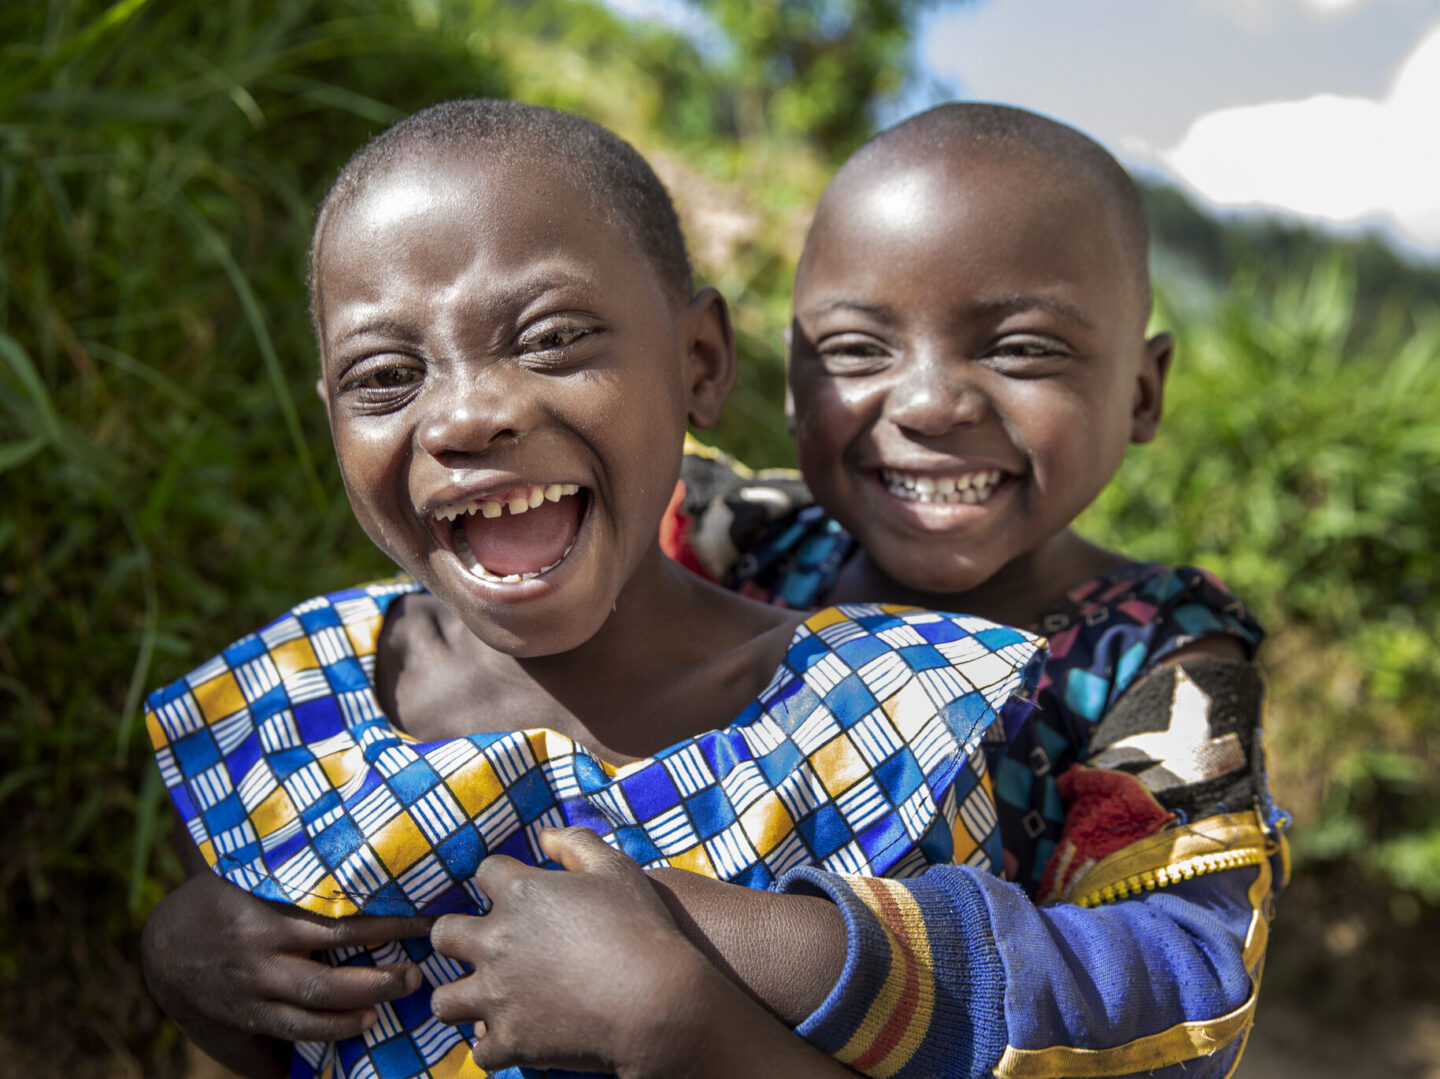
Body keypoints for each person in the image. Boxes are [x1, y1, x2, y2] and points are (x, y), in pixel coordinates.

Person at [139, 98, 1046, 1079]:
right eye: (386, 375)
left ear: (697, 361)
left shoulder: (884, 729)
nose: (466, 415)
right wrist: (183, 969)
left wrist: (694, 1029)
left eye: (550, 337)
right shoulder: (282, 714)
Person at [662, 101, 1290, 1077]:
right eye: (857, 348)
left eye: (1021, 347)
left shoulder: (1157, 657)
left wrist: (733, 939)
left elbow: (1184, 988)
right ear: (787, 377)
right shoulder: (739, 542)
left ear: (1141, 390)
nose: (928, 403)